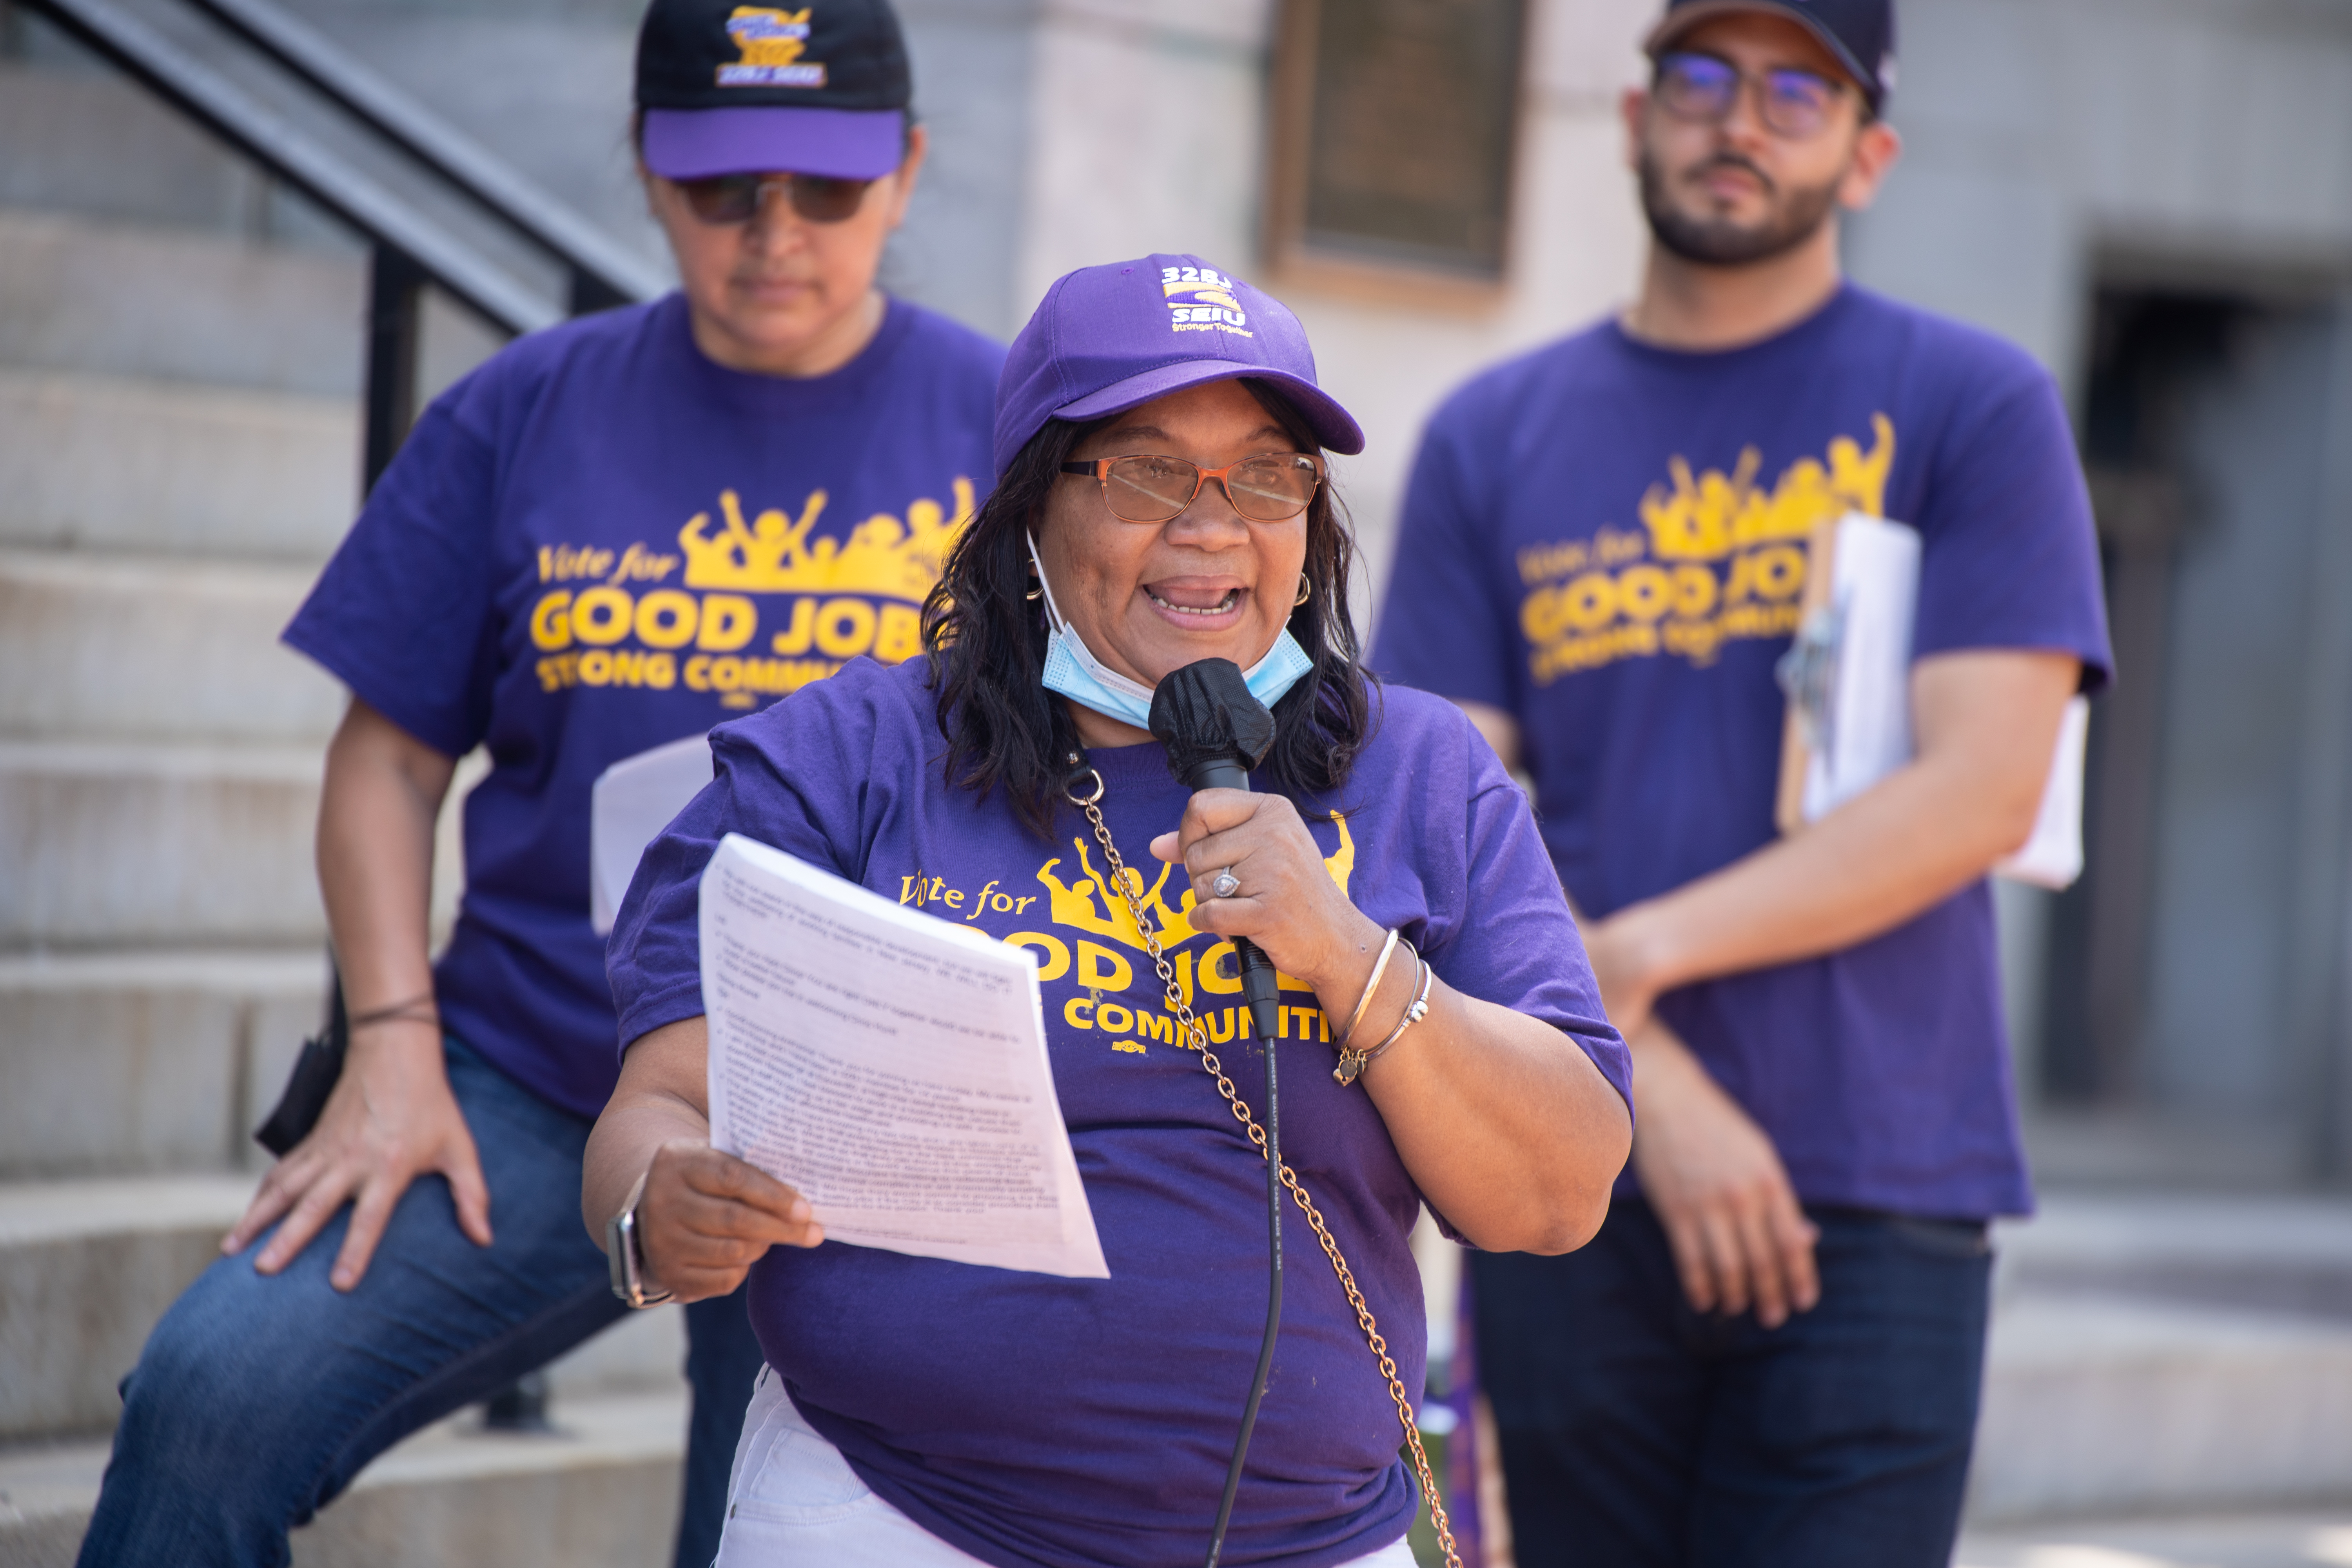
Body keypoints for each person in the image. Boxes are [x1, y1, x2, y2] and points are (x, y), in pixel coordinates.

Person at [74, 0, 1002, 1562]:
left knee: (769, 1534)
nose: (773, 234)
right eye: (723, 187)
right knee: (208, 1399)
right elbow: (385, 756)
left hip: (871, 1101)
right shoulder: (523, 410)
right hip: (535, 1066)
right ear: (647, 168)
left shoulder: (1011, 430)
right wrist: (389, 1046)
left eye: (825, 189)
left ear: (905, 174)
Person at [584, 253, 1635, 1568]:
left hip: (1313, 1537)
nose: (1212, 527)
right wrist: (660, 1210)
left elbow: (1560, 1194)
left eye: (1267, 474)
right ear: (1032, 513)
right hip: (894, 1513)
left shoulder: (1419, 772)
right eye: (1144, 471)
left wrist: (1345, 953)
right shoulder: (849, 756)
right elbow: (658, 1106)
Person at [1372, 2, 2113, 1564]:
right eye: (1703, 75)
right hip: (1564, 1164)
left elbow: (1985, 786)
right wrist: (1664, 1099)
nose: (1743, 118)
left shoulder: (1972, 405)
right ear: (1636, 110)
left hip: (1882, 1177)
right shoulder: (1491, 437)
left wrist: (1638, 959)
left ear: (1870, 152)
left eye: (1799, 88)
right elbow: (1438, 821)